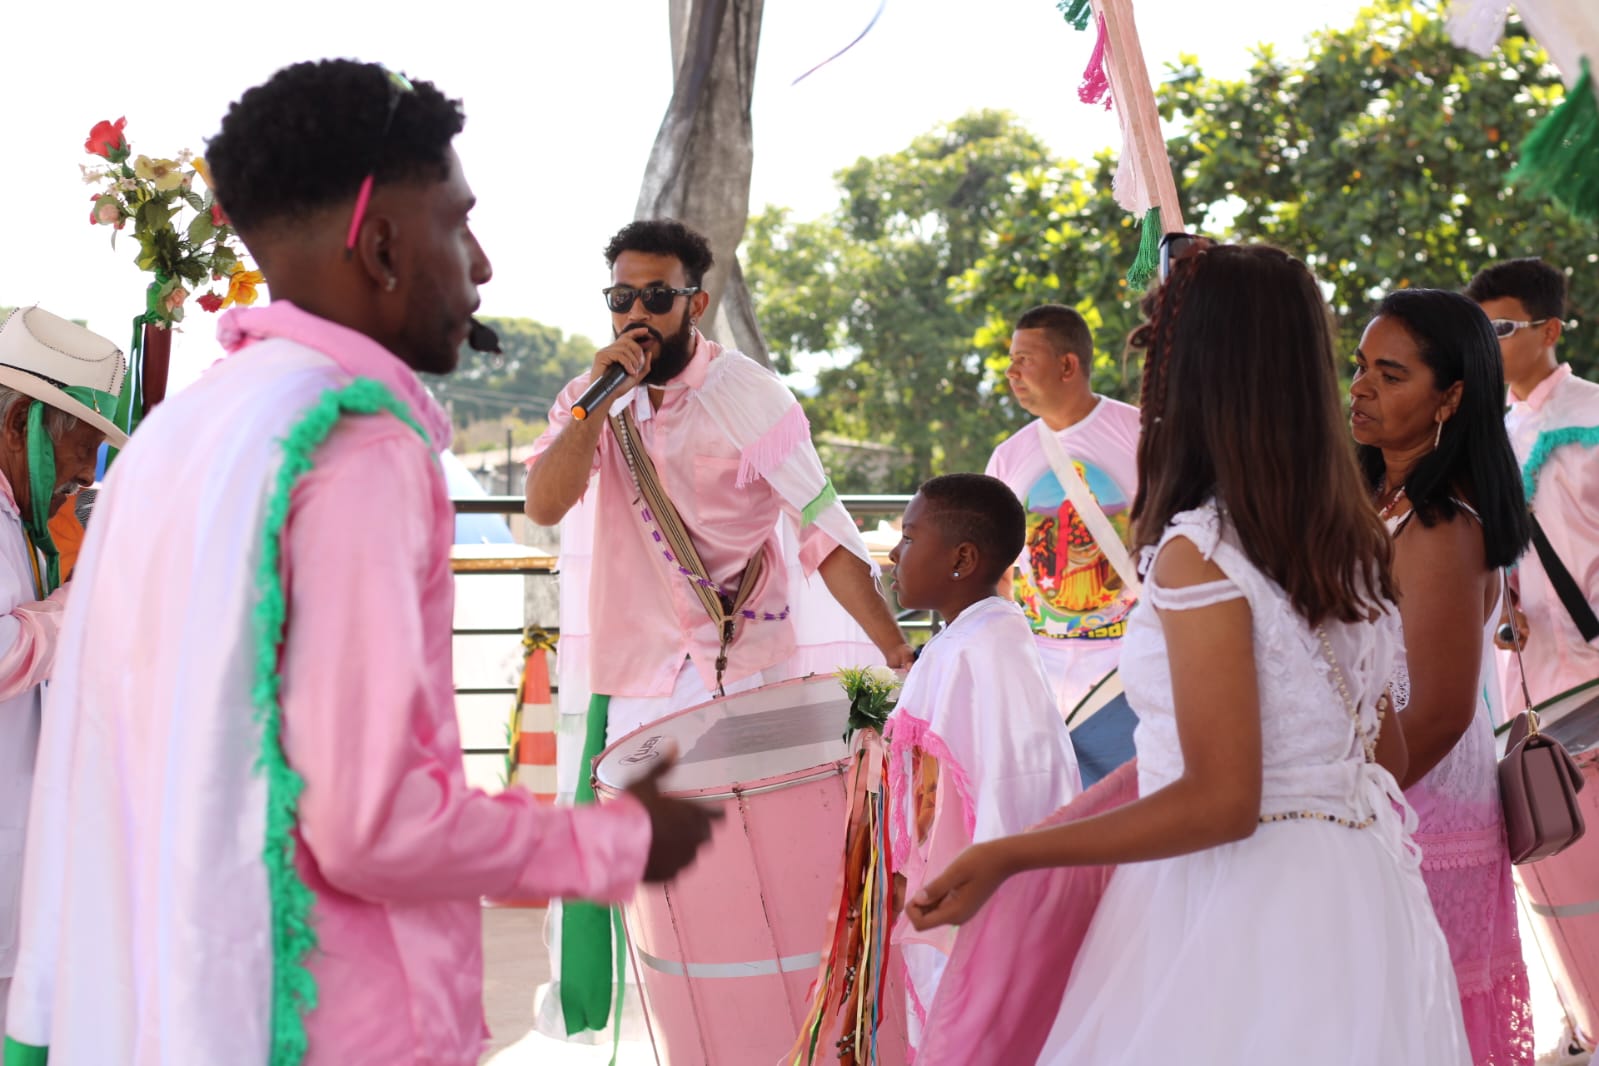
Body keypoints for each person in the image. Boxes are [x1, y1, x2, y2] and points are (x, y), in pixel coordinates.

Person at [3, 61, 716, 1066]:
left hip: (181, 1006)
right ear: (382, 242)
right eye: (458, 223)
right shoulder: (358, 447)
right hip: (334, 1020)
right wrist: (613, 842)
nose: (483, 265)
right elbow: (371, 824)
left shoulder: (188, 428)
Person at [906, 244, 1470, 1065]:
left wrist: (1010, 853)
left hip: (1231, 903)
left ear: (1191, 371)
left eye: (1154, 343)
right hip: (1361, 896)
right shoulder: (1347, 540)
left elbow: (1221, 804)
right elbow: (1380, 751)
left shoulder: (1202, 551)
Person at [1351, 288, 1535, 1065]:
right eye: (1359, 367)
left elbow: (1435, 711)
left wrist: (1351, 805)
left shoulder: (1437, 525)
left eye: (1390, 376)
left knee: (1415, 1022)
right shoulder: (1373, 495)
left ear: (1450, 398)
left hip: (1413, 810)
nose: (1360, 387)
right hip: (1381, 792)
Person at [883, 473, 1080, 1050]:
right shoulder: (959, 642)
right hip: (947, 896)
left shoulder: (991, 650)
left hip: (981, 915)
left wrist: (988, 917)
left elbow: (1018, 789)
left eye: (911, 537)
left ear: (962, 559)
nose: (895, 553)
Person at [0, 308, 123, 1040]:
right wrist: (78, 605)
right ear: (19, 426)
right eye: (79, 447)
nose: (84, 471)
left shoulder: (26, 516)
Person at [984, 304, 1140, 716]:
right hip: (1038, 667)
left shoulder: (1141, 437)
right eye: (1011, 360)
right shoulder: (1007, 457)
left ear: (1067, 366)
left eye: (1024, 359)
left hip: (1130, 663)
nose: (1011, 373)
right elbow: (996, 573)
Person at [1466, 258, 1599, 709]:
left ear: (1549, 332)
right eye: (1480, 332)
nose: (1487, 344)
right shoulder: (1493, 438)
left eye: (1501, 328)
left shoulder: (1593, 415)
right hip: (1535, 679)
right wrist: (1506, 603)